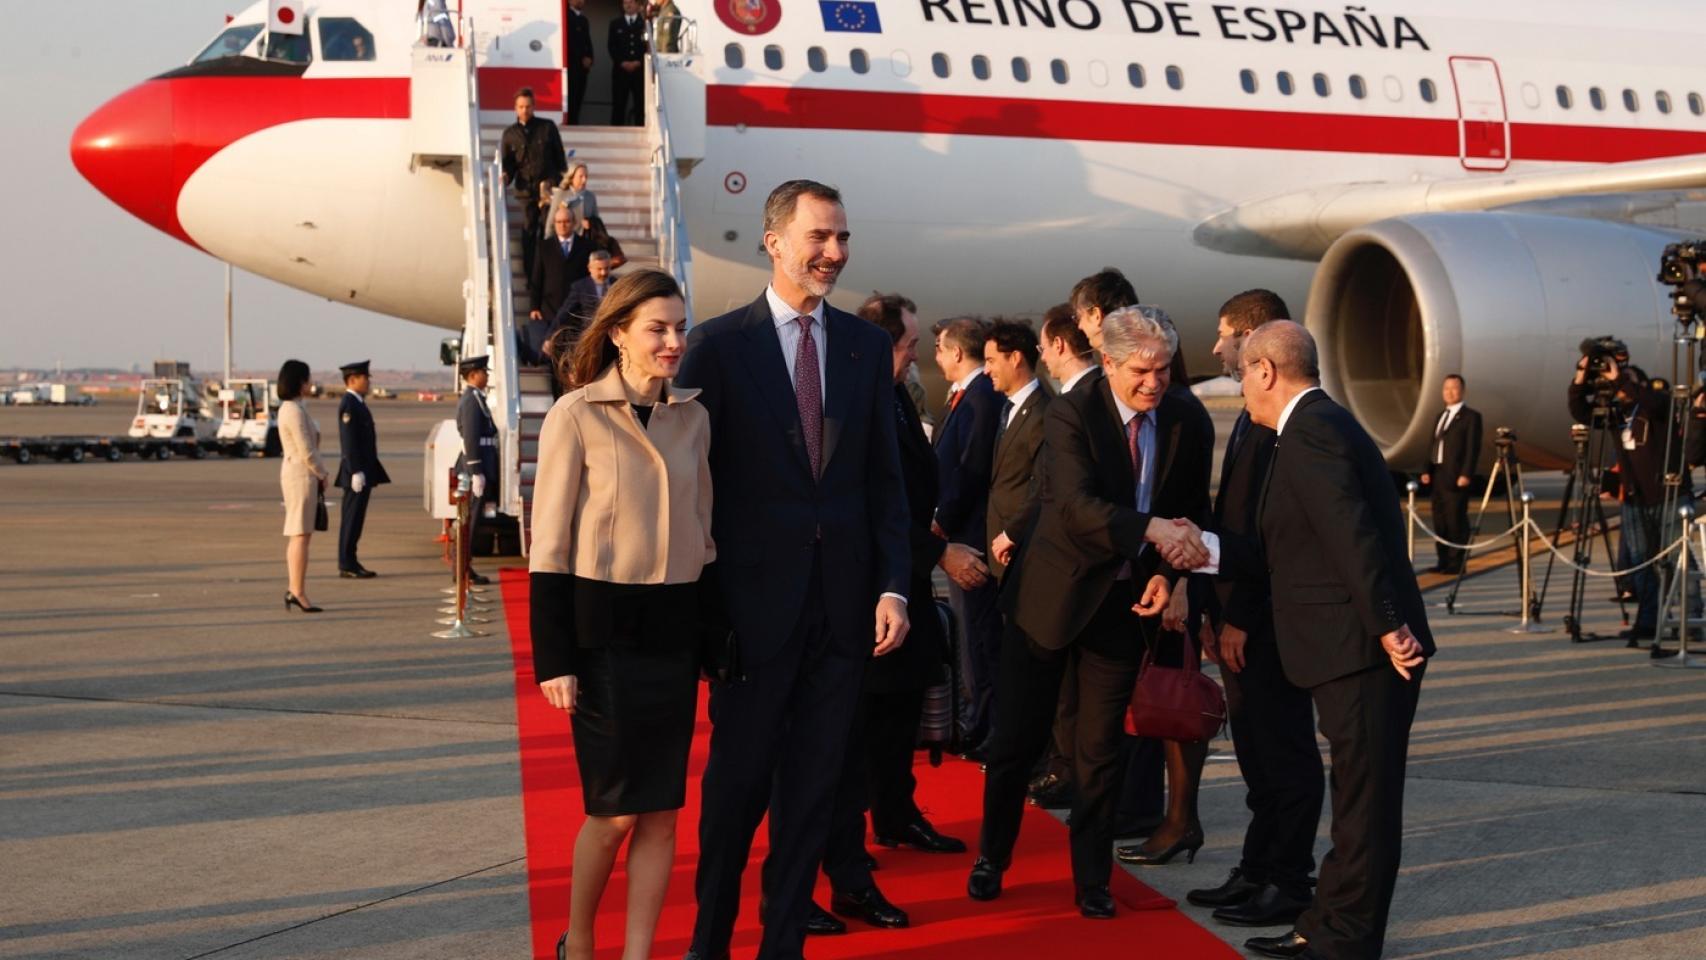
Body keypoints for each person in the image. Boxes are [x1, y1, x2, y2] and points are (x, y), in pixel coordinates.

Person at [676, 179, 910, 960]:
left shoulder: (865, 347)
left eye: (842, 238)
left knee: (813, 798)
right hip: (749, 620)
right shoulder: (716, 346)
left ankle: (783, 949)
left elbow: (886, 482)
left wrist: (893, 584)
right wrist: (705, 614)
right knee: (735, 797)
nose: (835, 254)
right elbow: (694, 493)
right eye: (819, 237)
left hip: (843, 616)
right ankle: (708, 945)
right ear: (774, 241)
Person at [1179, 320, 1434, 960]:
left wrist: (1387, 625)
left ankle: (1343, 941)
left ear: (1266, 370)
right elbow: (1282, 548)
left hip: (1363, 649)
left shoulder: (1312, 431)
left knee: (1364, 808)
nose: (1239, 388)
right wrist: (1199, 547)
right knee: (1356, 803)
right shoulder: (1310, 428)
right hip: (1347, 646)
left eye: (1242, 375)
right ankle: (1327, 927)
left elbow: (1354, 536)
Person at [969, 307, 1210, 919]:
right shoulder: (1073, 411)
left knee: (1099, 751)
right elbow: (1075, 507)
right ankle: (993, 855)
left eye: (1162, 369)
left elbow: (1187, 511)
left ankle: (1092, 880)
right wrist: (1154, 532)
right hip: (1049, 599)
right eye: (1141, 370)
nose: (1154, 382)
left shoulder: (1186, 418)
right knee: (1018, 741)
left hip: (1122, 609)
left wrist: (1167, 574)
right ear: (1107, 361)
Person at [776, 293, 981, 939]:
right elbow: (856, 512)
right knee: (823, 760)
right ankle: (804, 886)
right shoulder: (846, 404)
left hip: (890, 592)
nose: (916, 355)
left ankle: (858, 863)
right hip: (844, 604)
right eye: (908, 344)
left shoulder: (891, 397)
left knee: (872, 740)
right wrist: (936, 551)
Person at [529, 269, 711, 960]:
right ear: (618, 335)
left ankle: (638, 954)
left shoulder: (693, 417)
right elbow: (546, 545)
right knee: (614, 812)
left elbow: (706, 532)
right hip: (601, 638)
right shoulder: (575, 415)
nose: (674, 341)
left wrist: (714, 639)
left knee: (663, 812)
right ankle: (579, 943)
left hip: (674, 634)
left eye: (680, 327)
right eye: (658, 329)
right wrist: (555, 660)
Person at [1169, 290, 1323, 930]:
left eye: (1226, 333)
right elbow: (1231, 523)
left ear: (1258, 339)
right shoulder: (1251, 415)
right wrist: (1208, 604)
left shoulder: (1284, 426)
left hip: (1265, 623)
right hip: (1235, 614)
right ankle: (1258, 868)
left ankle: (1289, 880)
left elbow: (1273, 541)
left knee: (1284, 754)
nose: (1215, 347)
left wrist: (1242, 618)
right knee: (1258, 753)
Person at [1026, 303, 1103, 810]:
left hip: (1086, 574)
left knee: (1081, 696)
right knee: (1066, 693)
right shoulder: (1071, 400)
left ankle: (1077, 778)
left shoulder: (1085, 403)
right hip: (1062, 572)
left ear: (1057, 344)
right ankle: (1065, 768)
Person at [1568, 355, 1686, 642]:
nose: (1617, 388)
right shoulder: (1618, 413)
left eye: (1623, 383)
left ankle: (1690, 618)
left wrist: (1620, 378)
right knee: (1640, 562)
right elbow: (1581, 412)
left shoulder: (1657, 404)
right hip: (1635, 499)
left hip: (1666, 495)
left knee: (1677, 562)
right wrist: (1581, 377)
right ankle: (1648, 620)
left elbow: (1656, 403)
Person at [931, 315, 1002, 756]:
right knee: (970, 633)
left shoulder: (980, 397)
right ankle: (976, 717)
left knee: (979, 635)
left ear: (957, 352)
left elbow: (970, 470)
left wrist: (940, 523)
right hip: (958, 533)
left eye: (939, 348)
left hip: (969, 537)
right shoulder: (962, 396)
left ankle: (984, 723)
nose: (935, 357)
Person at [984, 319, 1050, 580]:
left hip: (1024, 550)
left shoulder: (1043, 412)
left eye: (991, 360)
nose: (986, 370)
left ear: (1015, 358)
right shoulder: (1007, 409)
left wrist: (1013, 533)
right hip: (1004, 552)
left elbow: (1044, 483)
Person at [277, 359, 328, 613]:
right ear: (299, 382)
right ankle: (296, 590)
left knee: (302, 534)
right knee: (299, 534)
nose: (310, 384)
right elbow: (306, 449)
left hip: (300, 474)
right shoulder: (293, 410)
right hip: (300, 475)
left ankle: (295, 588)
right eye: (307, 379)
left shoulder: (296, 407)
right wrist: (322, 473)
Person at [500, 88, 568, 282]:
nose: (525, 110)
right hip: (525, 193)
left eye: (528, 106)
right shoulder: (510, 134)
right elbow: (508, 165)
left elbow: (560, 160)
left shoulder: (548, 127)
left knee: (549, 233)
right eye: (521, 107)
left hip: (548, 191)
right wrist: (505, 177)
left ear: (534, 106)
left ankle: (550, 275)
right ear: (515, 108)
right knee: (529, 234)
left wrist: (554, 183)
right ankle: (532, 277)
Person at [1419, 375, 1482, 574]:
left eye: (1454, 388)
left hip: (1456, 476)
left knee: (1456, 520)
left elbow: (1472, 448)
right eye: (1446, 388)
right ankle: (1443, 560)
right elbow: (1433, 445)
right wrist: (1426, 470)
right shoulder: (1441, 416)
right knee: (1440, 521)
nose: (1449, 392)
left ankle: (1457, 563)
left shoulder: (1471, 417)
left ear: (1462, 390)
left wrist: (1466, 474)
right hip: (1438, 475)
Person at [334, 360, 389, 579]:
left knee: (356, 519)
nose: (368, 382)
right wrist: (355, 470)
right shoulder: (349, 403)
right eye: (365, 378)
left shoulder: (358, 403)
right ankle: (347, 563)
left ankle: (350, 560)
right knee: (351, 518)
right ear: (352, 380)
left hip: (363, 471)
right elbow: (349, 441)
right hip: (356, 472)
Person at [530, 204, 593, 362]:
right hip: (550, 306)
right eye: (558, 222)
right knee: (553, 352)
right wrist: (534, 306)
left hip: (576, 308)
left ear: (573, 223)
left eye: (566, 221)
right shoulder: (544, 246)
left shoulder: (585, 246)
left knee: (572, 353)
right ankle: (555, 386)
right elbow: (537, 277)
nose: (562, 225)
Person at [457, 355, 498, 587]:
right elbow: (471, 437)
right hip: (477, 465)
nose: (487, 375)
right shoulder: (472, 401)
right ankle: (462, 569)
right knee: (469, 523)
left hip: (481, 463)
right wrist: (476, 472)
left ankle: (465, 567)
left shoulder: (476, 398)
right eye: (484, 371)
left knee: (472, 522)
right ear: (473, 375)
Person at [1070, 266, 1139, 353]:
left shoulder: (1123, 363)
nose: (1080, 326)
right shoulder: (1153, 352)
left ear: (1096, 315)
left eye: (1079, 317)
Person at [556, 249, 614, 339]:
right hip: (588, 336)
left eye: (607, 268)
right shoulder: (580, 286)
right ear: (589, 268)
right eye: (599, 269)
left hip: (612, 335)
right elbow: (564, 312)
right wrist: (549, 336)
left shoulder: (617, 284)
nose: (603, 273)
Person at [609, 0, 648, 126]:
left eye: (631, 2)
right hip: (621, 71)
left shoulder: (645, 24)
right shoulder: (615, 24)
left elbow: (648, 47)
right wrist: (622, 62)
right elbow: (611, 46)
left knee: (640, 104)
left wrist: (639, 62)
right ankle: (615, 134)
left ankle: (641, 133)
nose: (628, 5)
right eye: (625, 2)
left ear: (638, 5)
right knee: (619, 104)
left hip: (639, 71)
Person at [565, 0, 595, 124]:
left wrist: (590, 57)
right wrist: (581, 57)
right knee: (571, 99)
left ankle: (575, 122)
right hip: (571, 66)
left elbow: (588, 42)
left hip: (582, 68)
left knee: (578, 98)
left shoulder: (584, 20)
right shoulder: (565, 17)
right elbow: (569, 42)